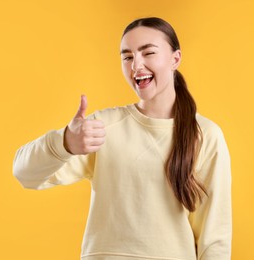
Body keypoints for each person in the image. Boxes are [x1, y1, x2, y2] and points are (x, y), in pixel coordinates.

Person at [13, 17, 232, 260]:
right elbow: (24, 173)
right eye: (127, 57)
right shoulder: (103, 127)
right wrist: (64, 143)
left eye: (148, 53)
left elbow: (215, 237)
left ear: (175, 59)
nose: (136, 65)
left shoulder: (206, 134)